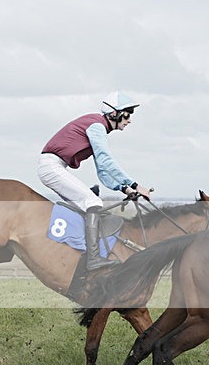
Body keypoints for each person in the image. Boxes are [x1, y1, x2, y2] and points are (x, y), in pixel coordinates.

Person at [38, 91, 151, 270]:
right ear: (114, 113)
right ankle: (93, 259)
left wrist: (125, 189)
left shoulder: (98, 126)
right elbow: (106, 160)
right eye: (127, 114)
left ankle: (78, 253)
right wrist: (136, 184)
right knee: (92, 201)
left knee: (90, 201)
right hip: (52, 166)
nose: (129, 120)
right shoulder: (97, 126)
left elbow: (102, 170)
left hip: (53, 166)